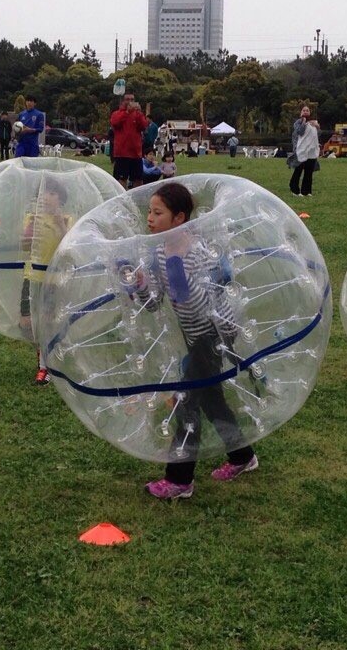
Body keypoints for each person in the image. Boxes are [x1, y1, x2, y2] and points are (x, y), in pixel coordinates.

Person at [129, 184, 257, 500]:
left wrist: (184, 285)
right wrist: (143, 285)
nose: (150, 219)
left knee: (187, 400)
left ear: (179, 218)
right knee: (211, 398)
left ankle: (180, 479)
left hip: (215, 331)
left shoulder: (195, 251)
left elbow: (205, 302)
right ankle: (243, 457)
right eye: (150, 212)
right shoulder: (159, 251)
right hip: (195, 334)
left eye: (158, 213)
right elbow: (157, 300)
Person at [19, 180, 73, 385]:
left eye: (51, 193)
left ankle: (44, 368)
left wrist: (59, 224)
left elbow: (69, 248)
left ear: (60, 198)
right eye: (42, 193)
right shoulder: (31, 218)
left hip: (53, 280)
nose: (45, 197)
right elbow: (25, 246)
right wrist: (28, 233)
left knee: (46, 321)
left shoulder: (67, 220)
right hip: (31, 277)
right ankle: (49, 350)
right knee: (27, 322)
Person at [110, 95, 148, 188]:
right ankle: (123, 199)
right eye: (127, 99)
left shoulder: (137, 114)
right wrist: (127, 112)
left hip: (136, 152)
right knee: (121, 178)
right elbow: (115, 123)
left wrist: (139, 113)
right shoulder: (117, 113)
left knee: (138, 178)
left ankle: (136, 200)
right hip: (122, 153)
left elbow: (144, 126)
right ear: (123, 101)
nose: (130, 101)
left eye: (132, 99)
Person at [290, 105, 320, 196]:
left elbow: (318, 134)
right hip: (301, 150)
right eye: (304, 110)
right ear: (301, 112)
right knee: (298, 170)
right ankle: (294, 190)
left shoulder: (314, 122)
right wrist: (303, 122)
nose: (306, 112)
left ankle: (306, 191)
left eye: (307, 110)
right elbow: (300, 132)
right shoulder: (298, 122)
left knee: (309, 172)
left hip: (311, 151)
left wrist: (317, 126)